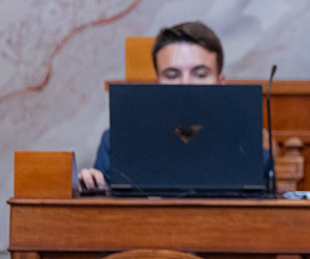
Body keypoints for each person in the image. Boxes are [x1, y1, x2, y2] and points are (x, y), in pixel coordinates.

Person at [79, 21, 227, 192]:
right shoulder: (116, 143)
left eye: (200, 74)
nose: (186, 84)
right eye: (172, 75)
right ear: (157, 84)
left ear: (220, 82)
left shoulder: (249, 150)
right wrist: (91, 187)